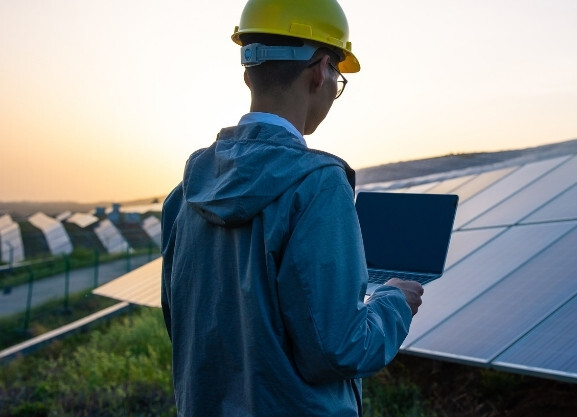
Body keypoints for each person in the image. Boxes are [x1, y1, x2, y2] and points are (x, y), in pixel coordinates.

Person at [160, 0, 424, 415]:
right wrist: (393, 302)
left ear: (248, 71)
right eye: (337, 77)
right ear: (320, 69)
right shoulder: (317, 185)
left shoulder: (186, 192)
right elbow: (341, 348)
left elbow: (183, 326)